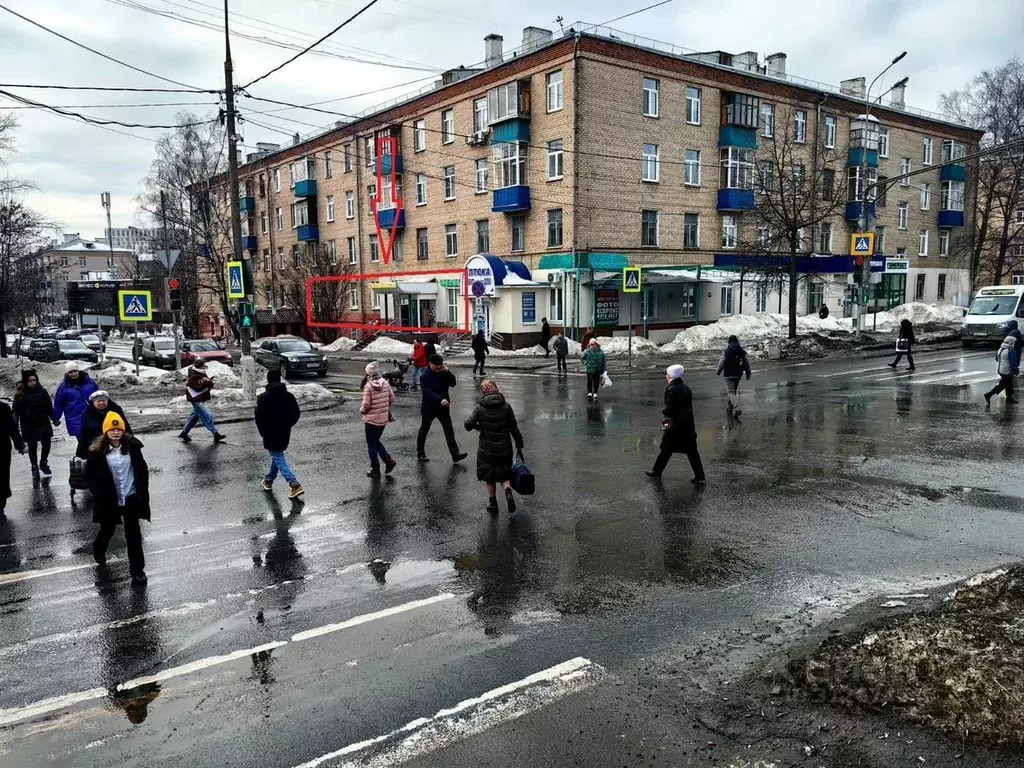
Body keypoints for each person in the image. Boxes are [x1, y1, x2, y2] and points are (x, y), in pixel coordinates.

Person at [86, 412, 150, 585]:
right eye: (112, 429)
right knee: (107, 529)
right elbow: (89, 477)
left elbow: (142, 471)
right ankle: (98, 549)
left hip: (131, 498)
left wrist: (141, 492)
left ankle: (138, 571)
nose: (115, 432)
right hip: (110, 500)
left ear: (123, 431)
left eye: (118, 429)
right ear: (106, 432)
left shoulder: (133, 448)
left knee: (134, 536)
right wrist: (100, 493)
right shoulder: (98, 452)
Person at [465, 379, 525, 514]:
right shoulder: (506, 406)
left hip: (487, 450)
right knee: (504, 473)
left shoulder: (480, 408)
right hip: (505, 448)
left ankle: (492, 503)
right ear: (496, 389)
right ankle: (508, 491)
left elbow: (468, 424)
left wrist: (477, 427)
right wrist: (519, 443)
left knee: (490, 476)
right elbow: (514, 427)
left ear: (483, 391)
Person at [646, 365, 706, 484]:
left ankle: (657, 471)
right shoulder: (686, 387)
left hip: (675, 425)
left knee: (667, 448)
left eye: (667, 374)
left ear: (670, 376)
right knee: (691, 450)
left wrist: (664, 412)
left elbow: (670, 407)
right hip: (687, 424)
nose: (666, 376)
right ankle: (699, 474)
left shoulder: (671, 389)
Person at [255, 369, 304, 498]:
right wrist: (287, 425)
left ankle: (294, 484)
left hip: (270, 433)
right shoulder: (288, 396)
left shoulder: (264, 397)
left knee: (278, 457)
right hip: (284, 432)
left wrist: (263, 432)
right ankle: (268, 480)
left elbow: (259, 417)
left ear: (268, 380)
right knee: (277, 456)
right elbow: (296, 413)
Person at [417, 354, 467, 463]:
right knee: (424, 430)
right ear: (430, 364)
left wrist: (447, 371)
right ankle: (420, 452)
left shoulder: (442, 372)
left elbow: (453, 383)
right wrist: (440, 400)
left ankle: (455, 454)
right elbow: (427, 392)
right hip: (429, 407)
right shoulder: (424, 375)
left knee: (449, 430)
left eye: (440, 365)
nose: (438, 368)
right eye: (436, 366)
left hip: (443, 408)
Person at [13, 369, 53, 479]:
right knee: (32, 446)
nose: (33, 382)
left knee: (47, 444)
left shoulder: (42, 391)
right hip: (28, 424)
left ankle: (43, 462)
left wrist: (54, 418)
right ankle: (34, 466)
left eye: (35, 380)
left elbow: (49, 406)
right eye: (30, 380)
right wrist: (15, 425)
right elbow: (15, 411)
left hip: (43, 422)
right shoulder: (20, 394)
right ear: (26, 381)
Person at [359, 362, 397, 478]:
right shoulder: (385, 383)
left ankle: (375, 469)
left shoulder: (368, 386)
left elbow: (366, 405)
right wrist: (383, 407)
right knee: (375, 441)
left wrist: (362, 410)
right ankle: (389, 462)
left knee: (371, 444)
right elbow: (392, 398)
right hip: (383, 419)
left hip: (371, 420)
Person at [180, 359, 226, 444]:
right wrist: (206, 381)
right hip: (195, 398)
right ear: (199, 366)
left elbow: (209, 384)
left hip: (199, 397)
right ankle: (215, 433)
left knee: (194, 417)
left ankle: (184, 433)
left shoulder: (201, 373)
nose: (205, 368)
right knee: (207, 415)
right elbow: (197, 387)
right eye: (204, 366)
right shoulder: (193, 375)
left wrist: (208, 381)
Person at [77, 391, 130, 460]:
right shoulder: (88, 413)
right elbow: (84, 432)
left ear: (107, 401)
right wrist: (82, 452)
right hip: (96, 445)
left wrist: (131, 443)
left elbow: (125, 425)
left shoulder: (116, 409)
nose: (101, 403)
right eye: (98, 401)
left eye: (103, 400)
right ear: (93, 403)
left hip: (115, 443)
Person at [52, 362, 98, 439]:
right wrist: (56, 418)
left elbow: (98, 396)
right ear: (67, 374)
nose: (73, 374)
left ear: (78, 371)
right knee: (83, 444)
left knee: (97, 442)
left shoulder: (89, 382)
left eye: (75, 371)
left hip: (92, 416)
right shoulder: (63, 387)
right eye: (70, 372)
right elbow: (59, 404)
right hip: (76, 419)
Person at [716, 335, 752, 416]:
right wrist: (748, 373)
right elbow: (747, 363)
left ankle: (737, 408)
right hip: (738, 374)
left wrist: (718, 371)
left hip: (728, 375)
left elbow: (721, 362)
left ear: (729, 342)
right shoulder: (742, 351)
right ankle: (729, 408)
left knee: (731, 392)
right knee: (733, 392)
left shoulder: (726, 351)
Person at [0, 398, 24, 515]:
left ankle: (0, 504)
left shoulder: (3, 408)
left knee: (2, 474)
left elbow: (12, 428)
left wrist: (19, 444)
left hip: (2, 447)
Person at [984, 335, 1020, 406]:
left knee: (1006, 384)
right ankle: (989, 394)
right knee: (1006, 385)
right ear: (1011, 343)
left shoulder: (1000, 349)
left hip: (1000, 370)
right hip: (1007, 371)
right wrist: (1015, 371)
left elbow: (996, 359)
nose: (1014, 343)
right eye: (1013, 342)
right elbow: (1013, 362)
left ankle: (1008, 398)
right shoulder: (1010, 350)